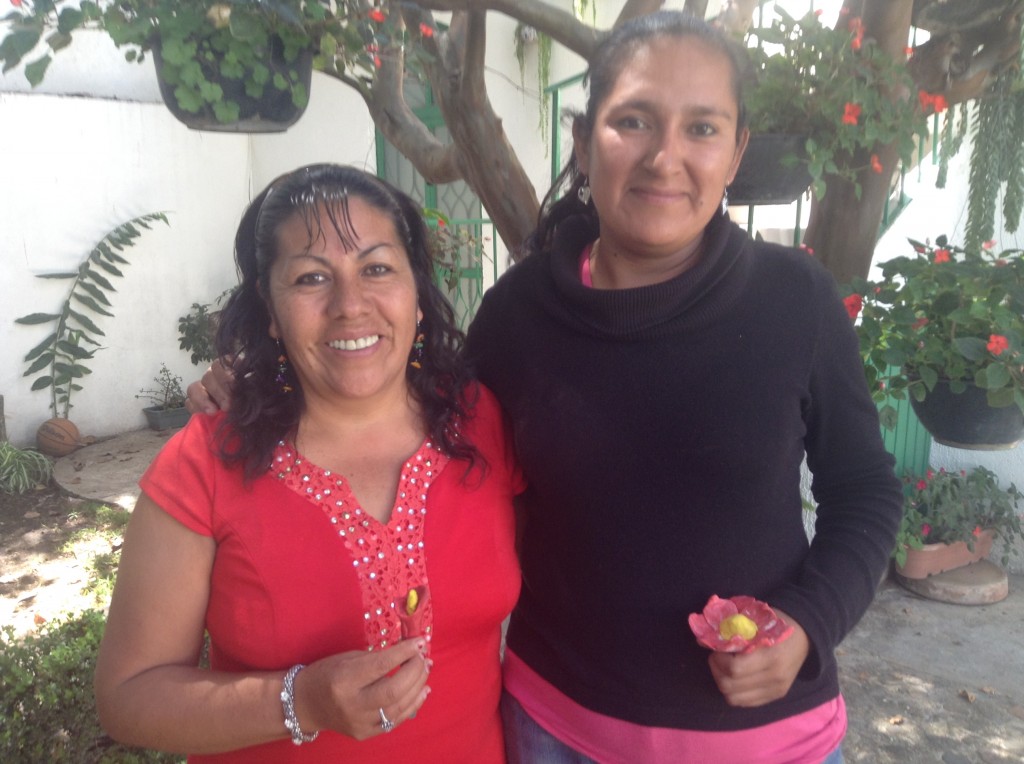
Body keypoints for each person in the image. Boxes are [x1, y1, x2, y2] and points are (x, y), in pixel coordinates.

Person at [189, 12, 902, 763]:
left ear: (737, 153)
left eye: (702, 128)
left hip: (767, 743)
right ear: (585, 141)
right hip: (555, 733)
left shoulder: (796, 302)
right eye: (634, 121)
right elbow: (402, 408)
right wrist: (260, 383)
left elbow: (866, 491)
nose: (665, 157)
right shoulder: (518, 314)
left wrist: (810, 622)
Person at [94, 164, 522, 763]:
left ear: (418, 295)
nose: (350, 305)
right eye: (311, 278)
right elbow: (127, 695)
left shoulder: (480, 424)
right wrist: (301, 702)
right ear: (270, 311)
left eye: (377, 268)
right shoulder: (207, 462)